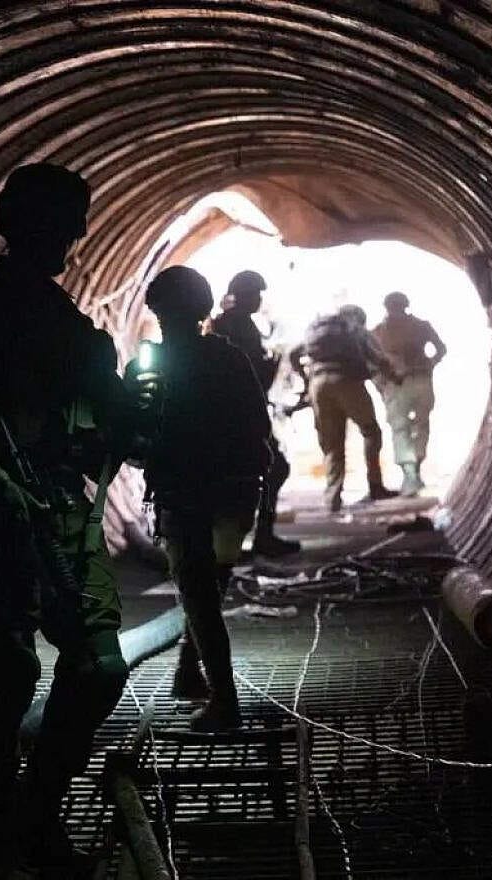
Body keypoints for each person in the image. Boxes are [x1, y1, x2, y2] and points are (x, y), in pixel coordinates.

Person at [0, 164, 135, 875]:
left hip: (56, 510)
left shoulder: (56, 316)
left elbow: (104, 421)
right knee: (10, 665)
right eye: (65, 223)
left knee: (95, 667)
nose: (74, 237)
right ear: (23, 226)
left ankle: (33, 809)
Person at [126, 266, 272, 731]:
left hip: (186, 496)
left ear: (156, 310)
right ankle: (190, 674)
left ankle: (223, 701)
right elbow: (258, 428)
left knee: (199, 594)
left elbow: (132, 443)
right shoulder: (231, 359)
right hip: (234, 496)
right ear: (205, 308)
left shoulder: (151, 369)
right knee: (211, 589)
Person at [210, 270, 301, 556]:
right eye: (255, 294)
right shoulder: (239, 326)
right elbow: (247, 373)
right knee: (273, 468)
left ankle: (237, 538)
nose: (258, 299)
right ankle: (258, 536)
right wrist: (271, 364)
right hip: (240, 415)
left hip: (232, 413)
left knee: (247, 473)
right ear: (242, 295)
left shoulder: (227, 323)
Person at [289, 305, 398, 513]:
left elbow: (294, 353)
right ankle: (375, 486)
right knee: (371, 432)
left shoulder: (319, 330)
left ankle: (333, 499)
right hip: (348, 382)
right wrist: (395, 377)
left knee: (332, 443)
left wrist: (306, 379)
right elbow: (378, 358)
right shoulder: (354, 329)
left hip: (318, 385)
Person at [372, 292, 447, 495]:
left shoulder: (378, 332)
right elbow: (441, 349)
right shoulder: (421, 326)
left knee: (400, 429)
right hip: (421, 380)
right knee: (421, 425)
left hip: (395, 385)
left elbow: (372, 364)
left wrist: (381, 385)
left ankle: (410, 475)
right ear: (406, 305)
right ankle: (415, 470)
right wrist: (430, 365)